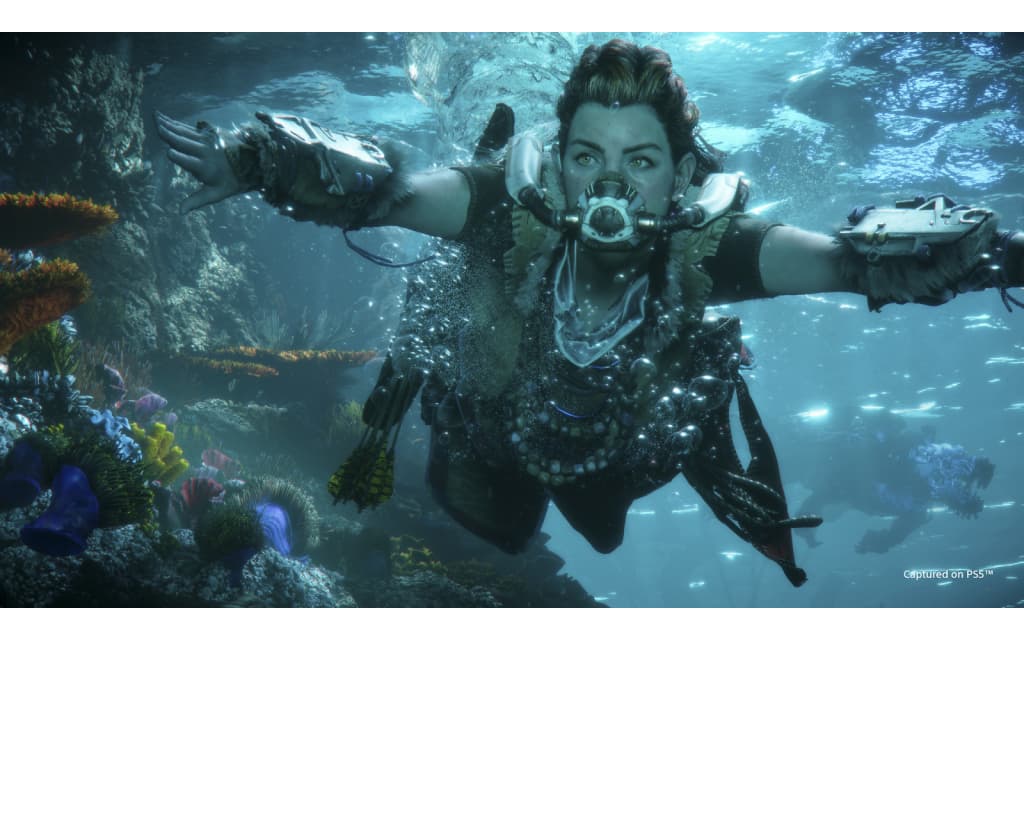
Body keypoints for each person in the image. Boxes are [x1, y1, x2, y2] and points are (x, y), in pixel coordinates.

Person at [155, 39, 1024, 587]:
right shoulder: (503, 206)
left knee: (601, 535)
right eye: (587, 157)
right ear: (559, 165)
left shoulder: (707, 247)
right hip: (490, 435)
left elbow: (850, 259)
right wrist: (267, 156)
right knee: (492, 521)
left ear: (680, 177)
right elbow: (391, 193)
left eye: (640, 160)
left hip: (624, 454)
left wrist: (992, 256)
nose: (611, 184)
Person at [790, 410, 995, 554]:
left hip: (849, 474)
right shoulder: (917, 452)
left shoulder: (917, 504)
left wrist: (880, 542)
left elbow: (892, 534)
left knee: (834, 487)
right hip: (849, 466)